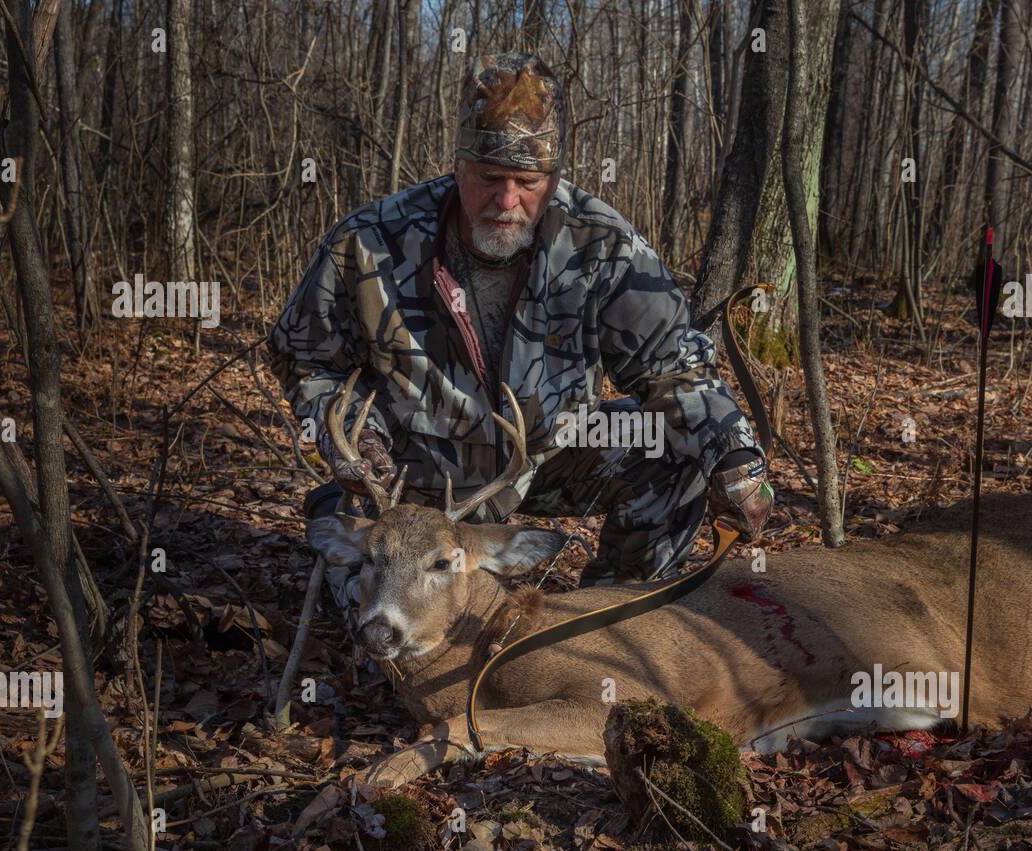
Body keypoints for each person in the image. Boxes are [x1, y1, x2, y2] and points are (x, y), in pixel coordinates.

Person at [268, 52, 773, 636]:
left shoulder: (601, 245)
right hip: (406, 479)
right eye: (488, 178)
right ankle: (363, 553)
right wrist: (360, 436)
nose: (507, 201)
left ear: (553, 179)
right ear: (457, 168)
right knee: (382, 636)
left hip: (544, 457)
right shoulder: (371, 242)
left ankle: (599, 630)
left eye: (527, 183)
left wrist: (733, 455)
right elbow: (307, 361)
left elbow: (674, 369)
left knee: (671, 451)